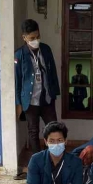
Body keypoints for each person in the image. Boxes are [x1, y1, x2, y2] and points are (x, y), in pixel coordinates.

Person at [15, 19, 60, 159]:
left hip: (47, 99)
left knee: (54, 129)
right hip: (30, 101)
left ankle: (54, 157)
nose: (36, 40)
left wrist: (54, 94)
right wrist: (18, 104)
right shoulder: (19, 55)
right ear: (24, 38)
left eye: (38, 36)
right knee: (33, 131)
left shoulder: (46, 49)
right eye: (32, 38)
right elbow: (17, 81)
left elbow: (52, 72)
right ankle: (38, 160)